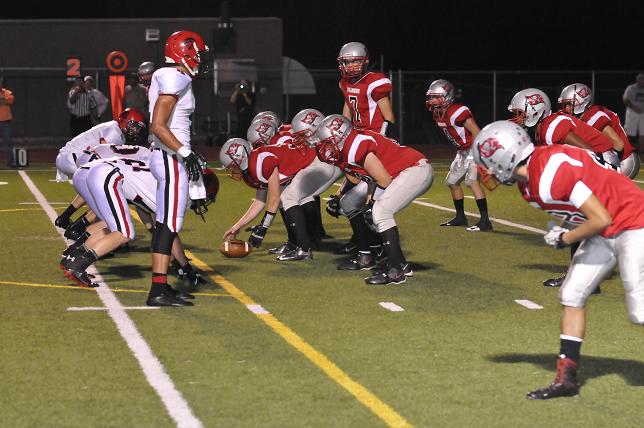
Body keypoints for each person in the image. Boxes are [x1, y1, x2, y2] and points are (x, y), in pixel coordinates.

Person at [472, 120, 644, 400]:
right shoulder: (529, 183)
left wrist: (566, 237)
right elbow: (587, 212)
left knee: (641, 311)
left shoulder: (549, 173)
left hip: (633, 222)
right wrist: (566, 227)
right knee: (572, 294)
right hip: (607, 226)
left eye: (487, 163)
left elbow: (601, 218)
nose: (485, 172)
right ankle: (567, 379)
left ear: (504, 157)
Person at [315, 114, 433, 285]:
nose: (325, 148)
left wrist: (371, 204)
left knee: (380, 211)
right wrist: (364, 201)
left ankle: (395, 271)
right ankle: (398, 264)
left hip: (413, 169)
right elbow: (371, 178)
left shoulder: (355, 145)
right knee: (362, 207)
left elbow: (383, 179)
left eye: (327, 142)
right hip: (399, 172)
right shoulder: (350, 145)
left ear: (340, 135)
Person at [146, 30, 209, 307]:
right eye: (196, 52)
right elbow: (158, 125)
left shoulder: (169, 75)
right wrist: (186, 153)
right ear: (185, 51)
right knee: (169, 225)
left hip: (167, 155)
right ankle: (158, 290)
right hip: (171, 157)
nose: (199, 57)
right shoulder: (175, 76)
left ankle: (161, 286)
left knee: (164, 224)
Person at [426, 79, 492, 231]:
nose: (431, 100)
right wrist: (461, 153)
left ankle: (485, 222)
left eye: (435, 96)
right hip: (463, 151)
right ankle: (461, 218)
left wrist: (473, 154)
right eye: (430, 97)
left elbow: (476, 131)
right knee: (452, 182)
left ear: (447, 96)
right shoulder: (437, 113)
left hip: (477, 148)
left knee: (472, 181)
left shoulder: (457, 111)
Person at [559, 83, 639, 178]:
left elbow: (618, 144)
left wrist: (603, 162)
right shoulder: (585, 116)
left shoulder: (593, 116)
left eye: (569, 104)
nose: (566, 108)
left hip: (623, 160)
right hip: (619, 158)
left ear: (581, 102)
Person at [622, 73, 644, 152]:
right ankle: (625, 149)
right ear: (637, 80)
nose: (642, 81)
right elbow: (625, 100)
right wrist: (634, 108)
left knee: (643, 132)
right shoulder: (631, 88)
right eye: (641, 80)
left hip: (643, 114)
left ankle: (642, 151)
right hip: (632, 113)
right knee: (629, 131)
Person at [0, 77, 14, 167]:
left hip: (5, 121)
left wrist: (2, 99)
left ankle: (10, 161)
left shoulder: (7, 92)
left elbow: (11, 99)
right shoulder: (5, 94)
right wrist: (3, 100)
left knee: (8, 142)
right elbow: (5, 100)